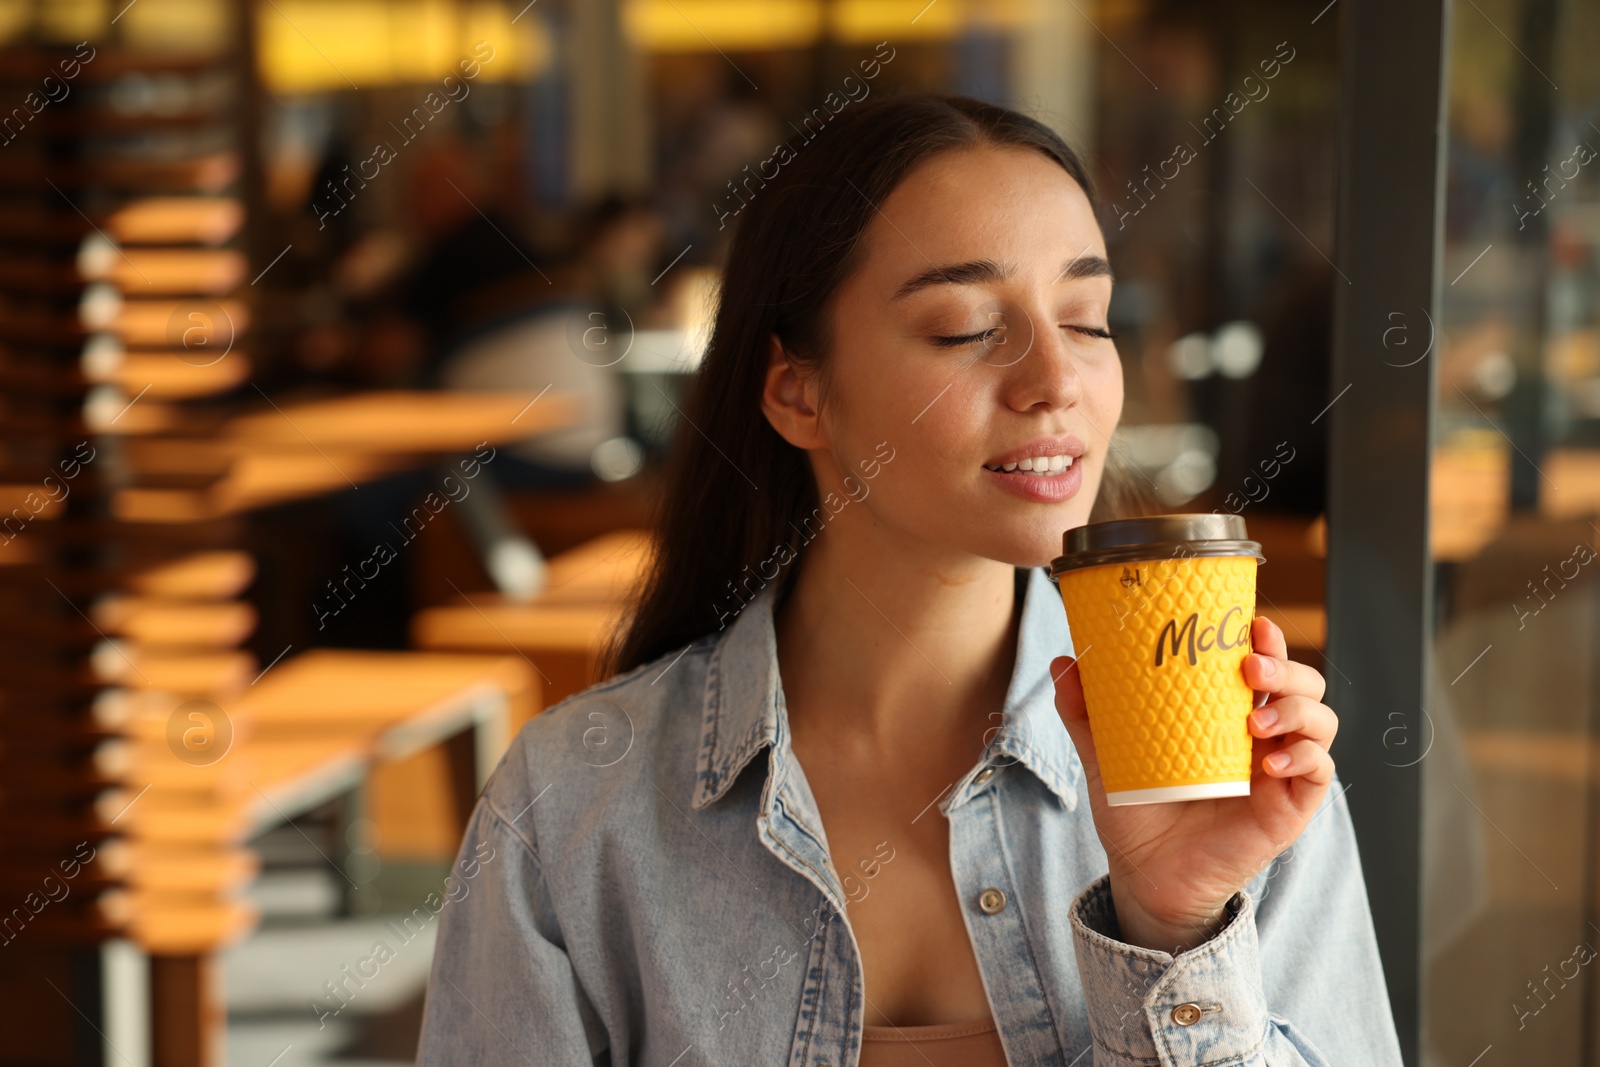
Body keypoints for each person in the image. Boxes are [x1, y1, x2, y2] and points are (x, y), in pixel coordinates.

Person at [416, 93, 1404, 1066]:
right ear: (798, 392)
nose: (1053, 379)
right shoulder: (573, 801)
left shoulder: (1230, 763)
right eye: (966, 327)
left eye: (1086, 317)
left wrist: (1173, 925)